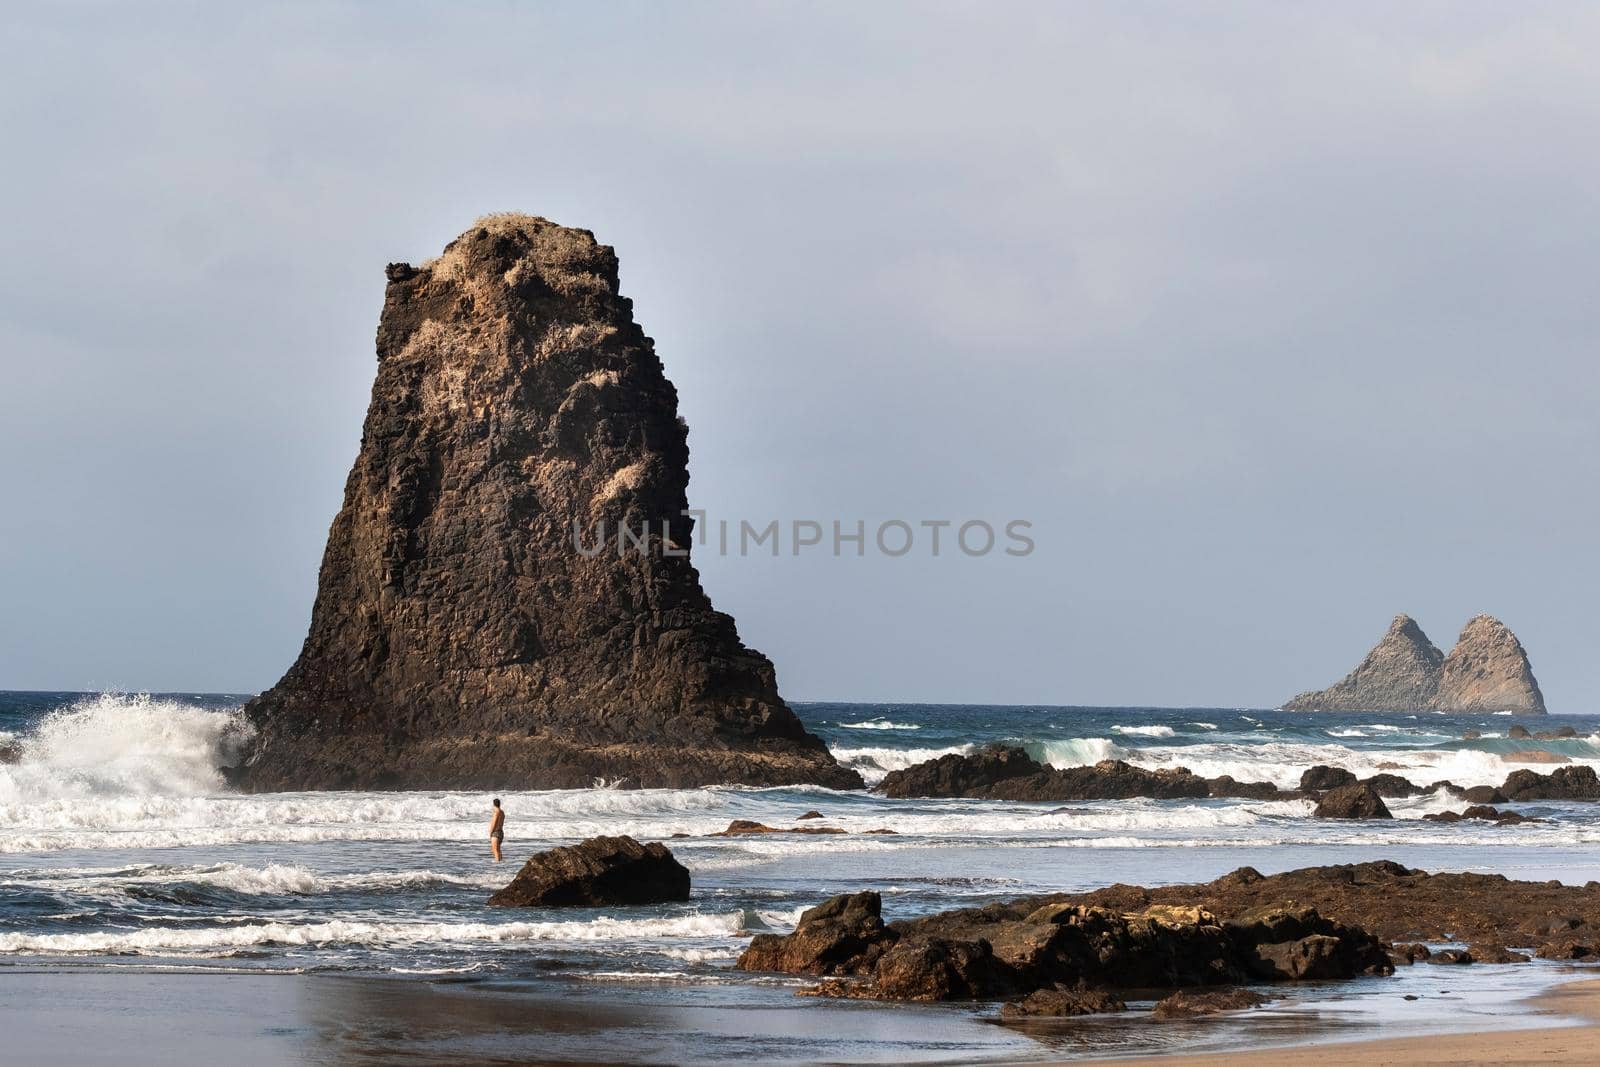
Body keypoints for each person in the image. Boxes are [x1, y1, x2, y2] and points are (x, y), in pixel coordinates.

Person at [489, 798, 505, 862]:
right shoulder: (502, 812)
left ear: (494, 804)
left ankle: (497, 865)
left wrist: (490, 832)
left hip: (495, 832)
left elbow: (494, 823)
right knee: (498, 850)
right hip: (501, 832)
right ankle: (500, 864)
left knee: (495, 850)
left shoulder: (496, 812)